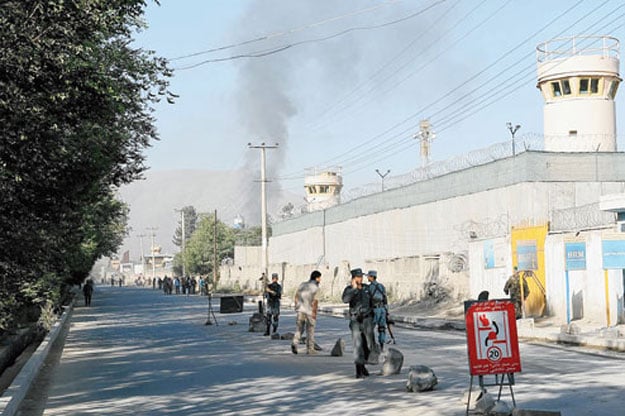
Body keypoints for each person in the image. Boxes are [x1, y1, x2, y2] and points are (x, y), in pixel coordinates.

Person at [342, 268, 375, 379]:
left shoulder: (367, 288)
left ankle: (363, 364)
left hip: (367, 320)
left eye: (361, 277)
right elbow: (345, 300)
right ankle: (358, 369)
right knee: (357, 345)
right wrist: (354, 289)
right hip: (356, 321)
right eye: (358, 277)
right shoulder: (349, 289)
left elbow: (373, 302)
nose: (360, 279)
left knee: (368, 345)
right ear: (353, 278)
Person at [291, 270, 322, 355]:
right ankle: (310, 349)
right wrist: (314, 313)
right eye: (319, 278)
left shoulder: (302, 284)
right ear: (316, 278)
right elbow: (315, 302)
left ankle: (295, 342)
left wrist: (296, 306)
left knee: (299, 329)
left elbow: (296, 296)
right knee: (310, 330)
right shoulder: (316, 288)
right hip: (309, 311)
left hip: (300, 309)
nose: (320, 280)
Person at [366, 270, 389, 348]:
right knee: (382, 328)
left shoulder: (369, 287)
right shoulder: (381, 286)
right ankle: (382, 345)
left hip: (375, 310)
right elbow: (385, 299)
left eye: (368, 276)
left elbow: (367, 300)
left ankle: (371, 345)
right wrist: (386, 310)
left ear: (372, 277)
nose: (367, 278)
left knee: (370, 328)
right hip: (382, 309)